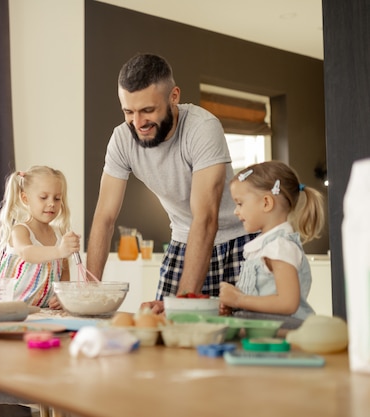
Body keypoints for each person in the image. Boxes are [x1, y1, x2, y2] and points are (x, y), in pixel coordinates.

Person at [85, 53, 255, 313]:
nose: (138, 123)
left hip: (239, 240)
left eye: (148, 110)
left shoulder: (202, 128)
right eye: (128, 112)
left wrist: (183, 303)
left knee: (237, 335)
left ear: (174, 96)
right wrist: (89, 291)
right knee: (161, 328)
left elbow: (206, 218)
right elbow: (105, 216)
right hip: (183, 240)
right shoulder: (121, 139)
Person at [218, 161, 325, 326]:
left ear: (266, 203)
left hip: (282, 336)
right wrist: (234, 306)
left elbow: (287, 303)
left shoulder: (280, 247)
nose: (236, 211)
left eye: (240, 203)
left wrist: (239, 299)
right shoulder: (265, 247)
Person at [0, 165, 80, 308]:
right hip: (8, 310)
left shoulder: (59, 234)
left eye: (57, 198)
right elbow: (27, 252)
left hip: (42, 311)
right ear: (25, 198)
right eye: (43, 197)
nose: (51, 203)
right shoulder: (20, 230)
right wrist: (59, 251)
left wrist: (62, 295)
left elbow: (64, 271)